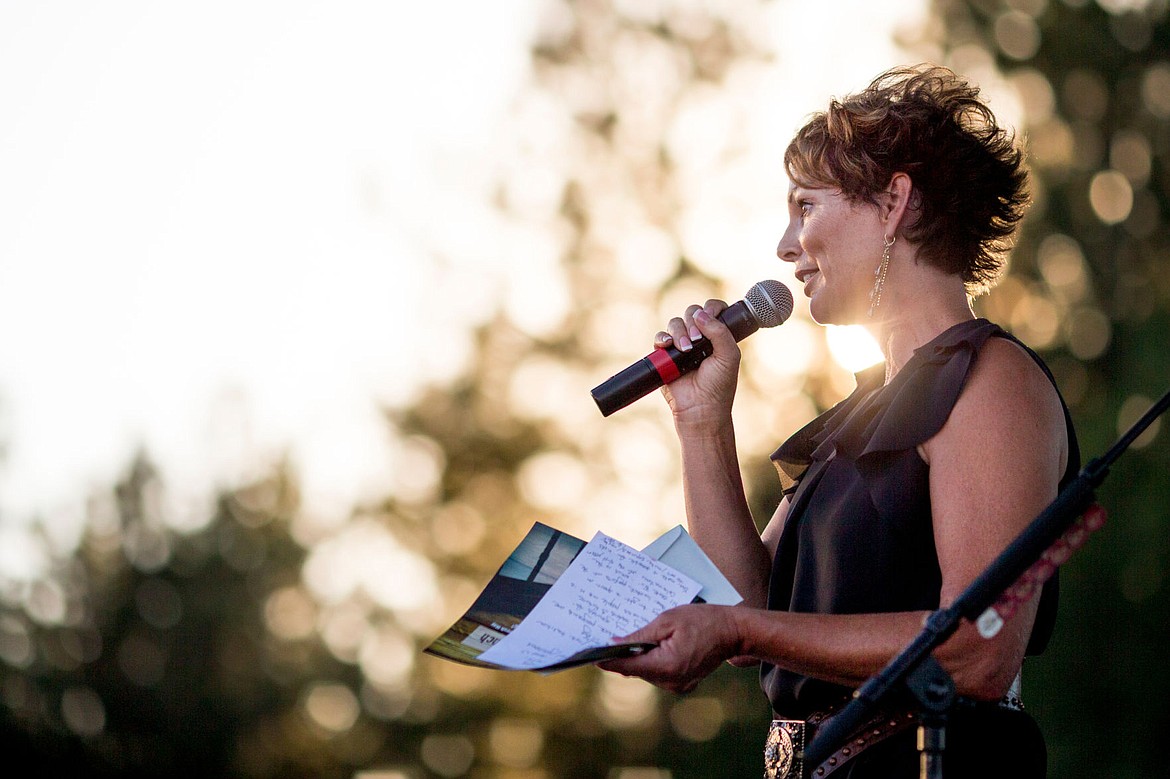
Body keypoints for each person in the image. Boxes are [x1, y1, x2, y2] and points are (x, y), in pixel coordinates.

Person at [598, 65, 1081, 778]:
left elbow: (980, 648)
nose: (786, 246)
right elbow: (751, 604)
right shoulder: (853, 415)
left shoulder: (991, 380)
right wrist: (702, 423)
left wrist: (737, 626)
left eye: (806, 207)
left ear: (895, 203)